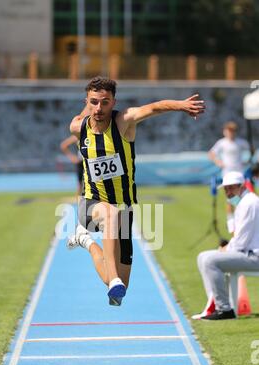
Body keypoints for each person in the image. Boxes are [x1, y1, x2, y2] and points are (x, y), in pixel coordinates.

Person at [67, 76, 205, 306]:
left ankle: (86, 241)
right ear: (87, 101)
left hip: (125, 208)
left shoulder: (124, 121)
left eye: (105, 102)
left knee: (121, 283)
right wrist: (92, 102)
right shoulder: (77, 127)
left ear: (114, 102)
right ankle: (112, 280)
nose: (99, 108)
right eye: (94, 102)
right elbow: (85, 114)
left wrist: (180, 105)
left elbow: (153, 108)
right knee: (110, 214)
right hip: (91, 205)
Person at [196, 171, 259, 320]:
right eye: (225, 189)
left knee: (210, 260)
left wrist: (225, 250)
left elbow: (241, 240)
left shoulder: (250, 203)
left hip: (254, 255)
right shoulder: (244, 202)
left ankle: (224, 309)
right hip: (248, 253)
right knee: (202, 256)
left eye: (231, 188)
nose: (228, 192)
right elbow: (237, 234)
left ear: (242, 186)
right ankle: (214, 305)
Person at [208, 121, 250, 233]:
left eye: (232, 131)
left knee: (241, 199)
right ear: (225, 132)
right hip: (227, 175)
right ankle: (231, 223)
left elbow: (251, 150)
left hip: (240, 175)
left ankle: (240, 221)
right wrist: (218, 162)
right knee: (230, 199)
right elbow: (211, 153)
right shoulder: (222, 143)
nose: (230, 133)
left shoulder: (241, 142)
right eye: (228, 131)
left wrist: (247, 161)